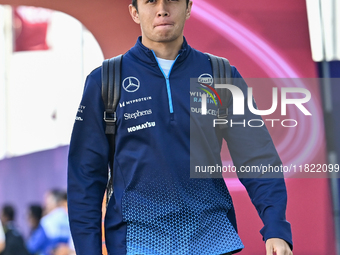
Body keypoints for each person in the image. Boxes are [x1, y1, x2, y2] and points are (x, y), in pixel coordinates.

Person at [67, 0, 293, 254]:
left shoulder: (221, 75)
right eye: (150, 1)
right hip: (137, 243)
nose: (162, 8)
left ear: (188, 7)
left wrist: (276, 227)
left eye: (172, 0)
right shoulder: (106, 81)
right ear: (134, 12)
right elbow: (85, 177)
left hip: (212, 240)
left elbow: (257, 157)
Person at [26, 189, 71, 255]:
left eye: (47, 202)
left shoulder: (47, 221)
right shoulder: (70, 218)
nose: (45, 205)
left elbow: (32, 247)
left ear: (55, 202)